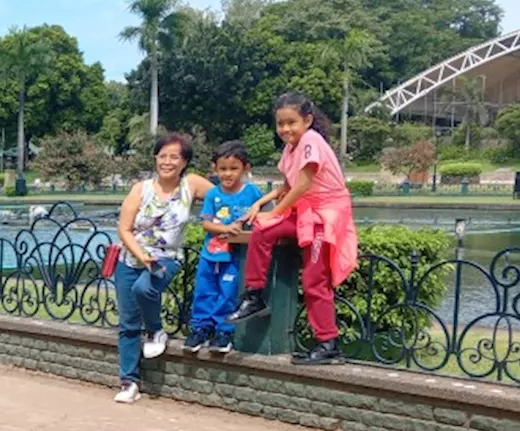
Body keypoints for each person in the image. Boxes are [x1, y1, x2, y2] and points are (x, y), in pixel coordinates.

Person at [228, 92, 358, 364]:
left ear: (307, 120)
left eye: (291, 122)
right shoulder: (291, 148)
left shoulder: (311, 141)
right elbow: (288, 186)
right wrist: (261, 206)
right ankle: (254, 295)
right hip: (304, 212)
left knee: (314, 278)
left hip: (324, 217)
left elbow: (304, 184)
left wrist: (274, 212)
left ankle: (327, 342)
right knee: (264, 230)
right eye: (281, 124)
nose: (285, 129)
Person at [113, 132, 213, 404]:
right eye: (162, 156)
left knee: (144, 288)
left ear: (184, 162)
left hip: (167, 258)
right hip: (130, 259)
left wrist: (254, 209)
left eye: (174, 157)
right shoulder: (141, 189)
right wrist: (141, 255)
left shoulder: (190, 185)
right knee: (128, 324)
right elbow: (124, 228)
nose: (167, 162)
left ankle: (155, 329)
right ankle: (129, 382)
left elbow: (224, 196)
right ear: (155, 158)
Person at [185, 141, 273, 354]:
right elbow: (206, 223)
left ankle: (223, 331)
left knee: (228, 293)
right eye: (223, 169)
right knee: (204, 290)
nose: (228, 174)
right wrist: (224, 227)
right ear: (214, 169)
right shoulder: (213, 194)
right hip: (211, 253)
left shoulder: (252, 192)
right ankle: (200, 328)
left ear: (246, 169)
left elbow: (268, 211)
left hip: (235, 255)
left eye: (234, 169)